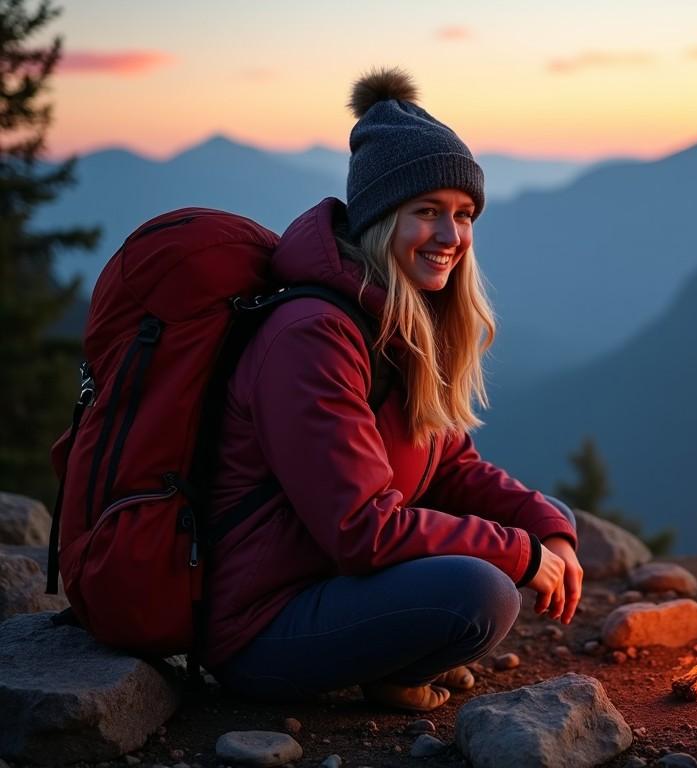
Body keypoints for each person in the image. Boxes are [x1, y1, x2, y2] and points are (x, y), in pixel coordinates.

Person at [202, 68, 583, 712]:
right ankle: (393, 669)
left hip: (335, 589)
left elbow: (450, 464)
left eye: (463, 215)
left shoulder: (399, 319)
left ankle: (392, 664)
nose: (451, 237)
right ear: (380, 220)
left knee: (545, 528)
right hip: (261, 625)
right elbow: (362, 530)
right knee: (483, 592)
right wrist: (520, 552)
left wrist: (549, 528)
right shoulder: (313, 336)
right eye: (427, 212)